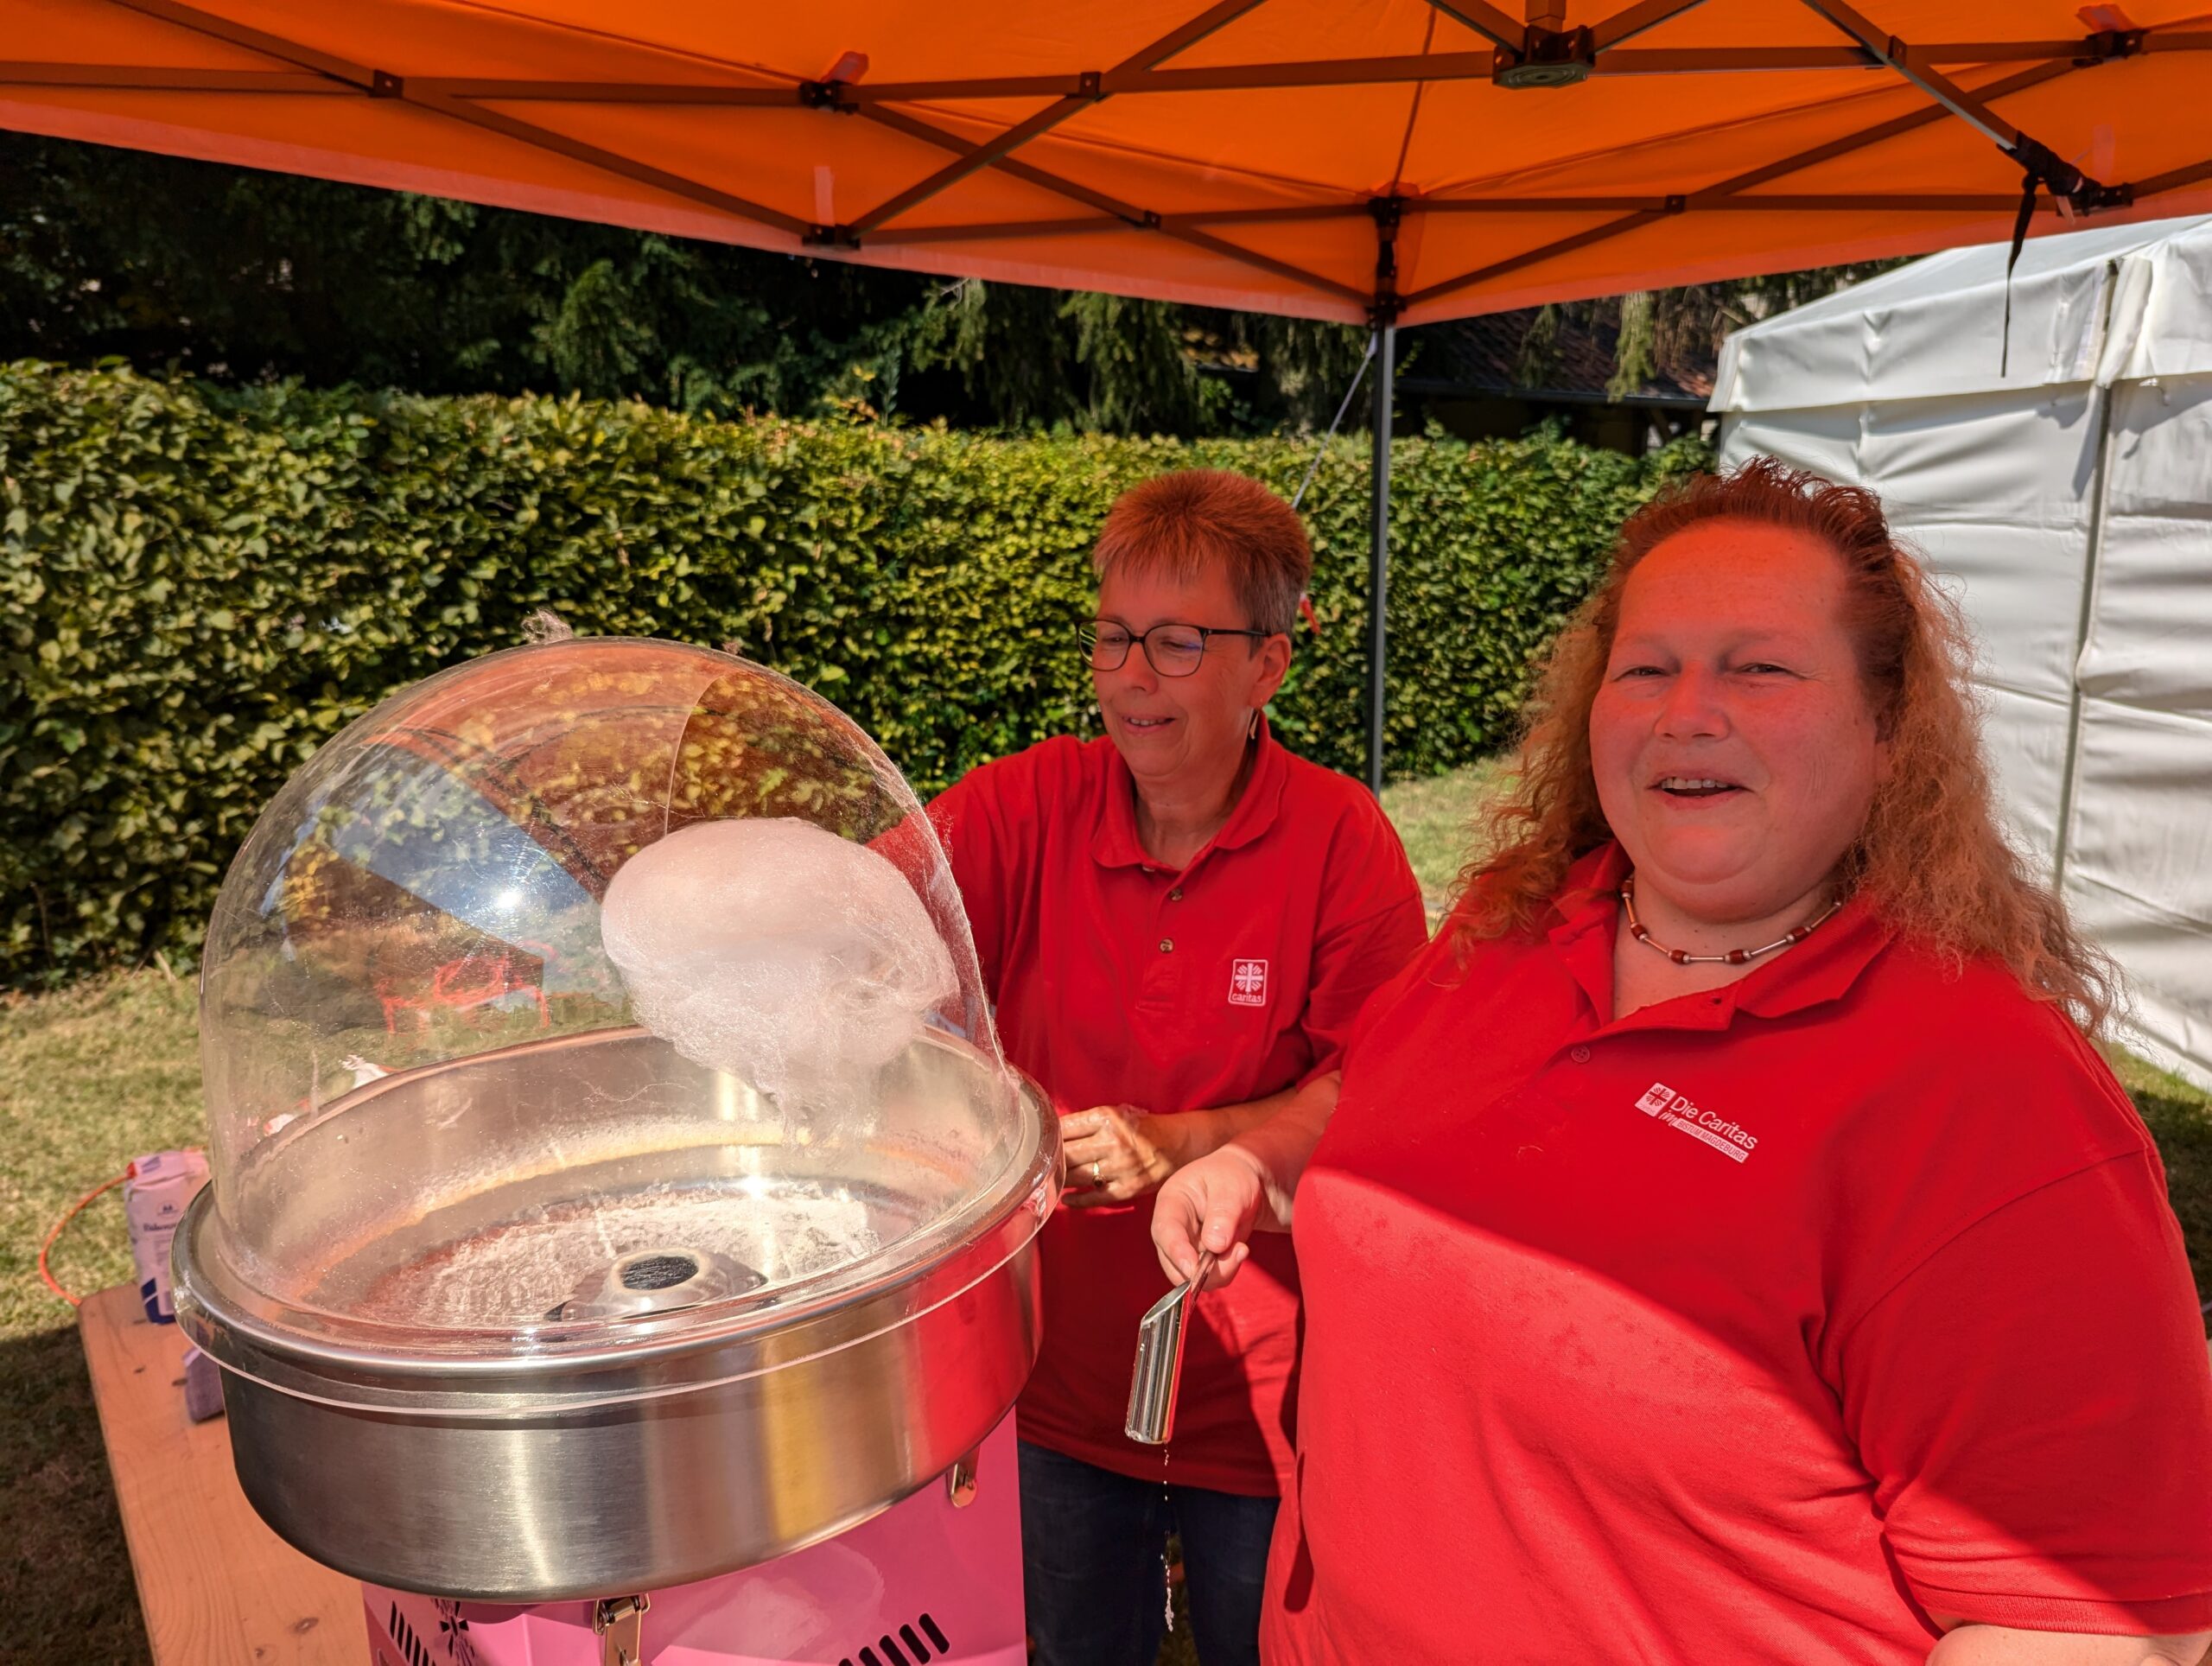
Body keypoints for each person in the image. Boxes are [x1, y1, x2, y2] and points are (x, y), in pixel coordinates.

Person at [1153, 459, 2212, 1665]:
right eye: (1645, 668)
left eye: (1758, 668)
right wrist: (1262, 1166)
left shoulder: (1990, 1099)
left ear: (1886, 734)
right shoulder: (1516, 923)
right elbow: (1382, 1100)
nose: (1685, 711)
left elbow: (2085, 1629)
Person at [926, 469, 1427, 1666]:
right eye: (1113, 638)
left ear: (1269, 666)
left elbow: (1380, 1092)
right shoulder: (1028, 804)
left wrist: (1182, 1144)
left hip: (1264, 1402)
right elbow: (869, 936)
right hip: (1053, 1383)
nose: (1131, 677)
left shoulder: (1341, 840)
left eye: (1176, 643)